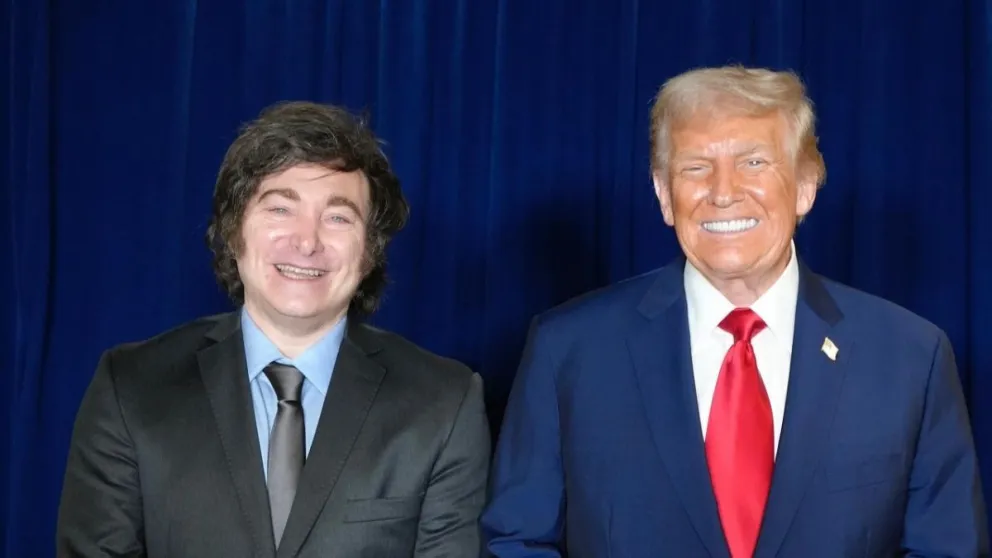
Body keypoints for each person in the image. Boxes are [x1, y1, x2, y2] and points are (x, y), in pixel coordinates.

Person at [481, 66, 989, 557]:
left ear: (805, 185)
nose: (723, 193)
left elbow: (947, 549)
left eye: (753, 163)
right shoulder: (568, 352)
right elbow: (516, 542)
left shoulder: (910, 358)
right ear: (663, 194)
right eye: (695, 167)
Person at [57, 101, 491, 557]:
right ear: (233, 232)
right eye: (281, 209)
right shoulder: (131, 387)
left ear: (369, 253)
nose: (307, 241)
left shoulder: (444, 403)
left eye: (338, 217)